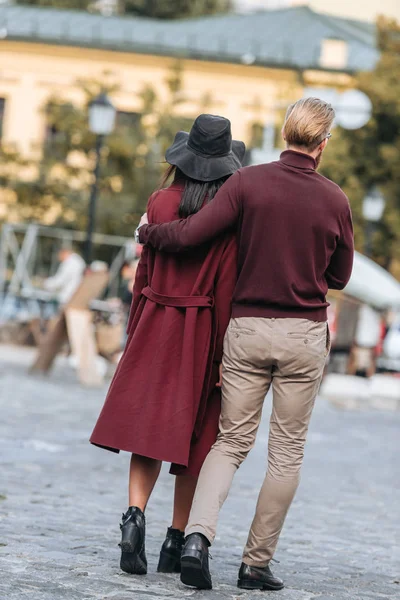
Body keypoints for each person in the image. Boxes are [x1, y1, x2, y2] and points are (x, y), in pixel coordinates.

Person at [136, 97, 354, 591]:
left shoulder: (246, 183)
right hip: (303, 333)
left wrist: (150, 234)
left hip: (249, 327)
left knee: (230, 440)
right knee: (285, 453)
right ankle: (255, 564)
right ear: (323, 144)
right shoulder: (335, 200)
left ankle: (196, 539)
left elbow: (192, 234)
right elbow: (340, 274)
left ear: (283, 134)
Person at [90, 115, 245, 576]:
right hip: (199, 332)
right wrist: (221, 357)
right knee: (194, 440)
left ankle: (134, 519)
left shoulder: (158, 204)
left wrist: (133, 333)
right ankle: (175, 540)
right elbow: (225, 291)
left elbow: (141, 280)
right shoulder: (226, 219)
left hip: (154, 324)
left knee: (147, 431)